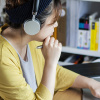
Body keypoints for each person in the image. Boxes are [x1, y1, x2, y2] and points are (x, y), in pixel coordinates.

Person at [0, 0, 100, 100]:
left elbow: (54, 73)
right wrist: (50, 62)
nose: (56, 25)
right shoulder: (3, 59)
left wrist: (91, 83)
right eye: (52, 22)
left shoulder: (32, 38)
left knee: (89, 95)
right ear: (32, 26)